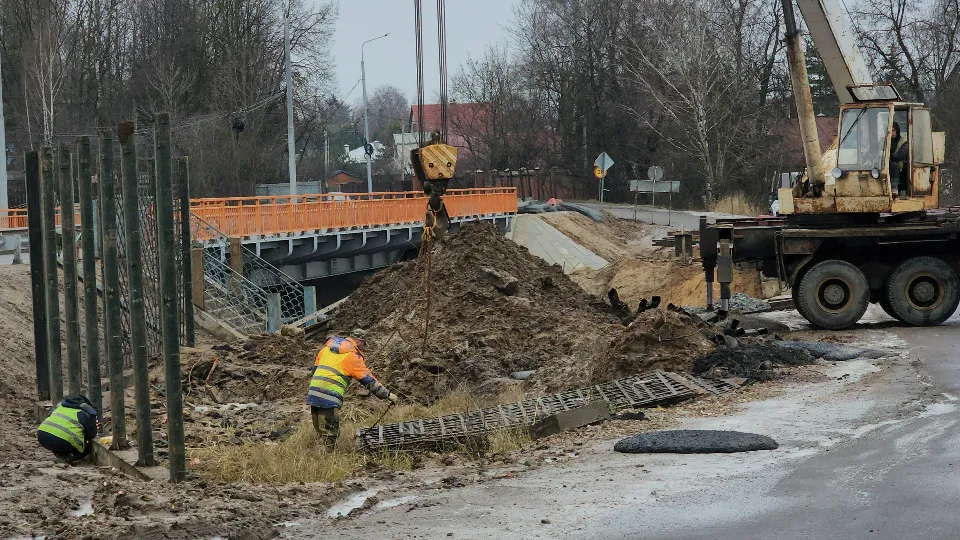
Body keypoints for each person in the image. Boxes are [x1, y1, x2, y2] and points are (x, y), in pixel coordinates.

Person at [306, 333, 397, 450]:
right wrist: (387, 395)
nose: (363, 348)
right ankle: (327, 458)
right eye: (363, 344)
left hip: (313, 393)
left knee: (320, 428)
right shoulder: (353, 357)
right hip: (330, 395)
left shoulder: (325, 349)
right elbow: (369, 381)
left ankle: (318, 455)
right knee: (330, 432)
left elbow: (314, 370)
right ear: (359, 341)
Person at [37, 395, 99, 464]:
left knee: (58, 440)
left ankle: (60, 455)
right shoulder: (83, 413)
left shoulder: (59, 407)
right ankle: (69, 457)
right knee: (87, 442)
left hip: (42, 435)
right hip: (62, 440)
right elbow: (92, 434)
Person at [890, 122, 909, 196]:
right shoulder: (884, 140)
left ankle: (894, 187)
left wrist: (889, 156)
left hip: (898, 165)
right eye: (890, 130)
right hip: (884, 164)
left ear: (897, 130)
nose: (892, 132)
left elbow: (899, 156)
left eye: (893, 130)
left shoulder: (903, 141)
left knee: (894, 165)